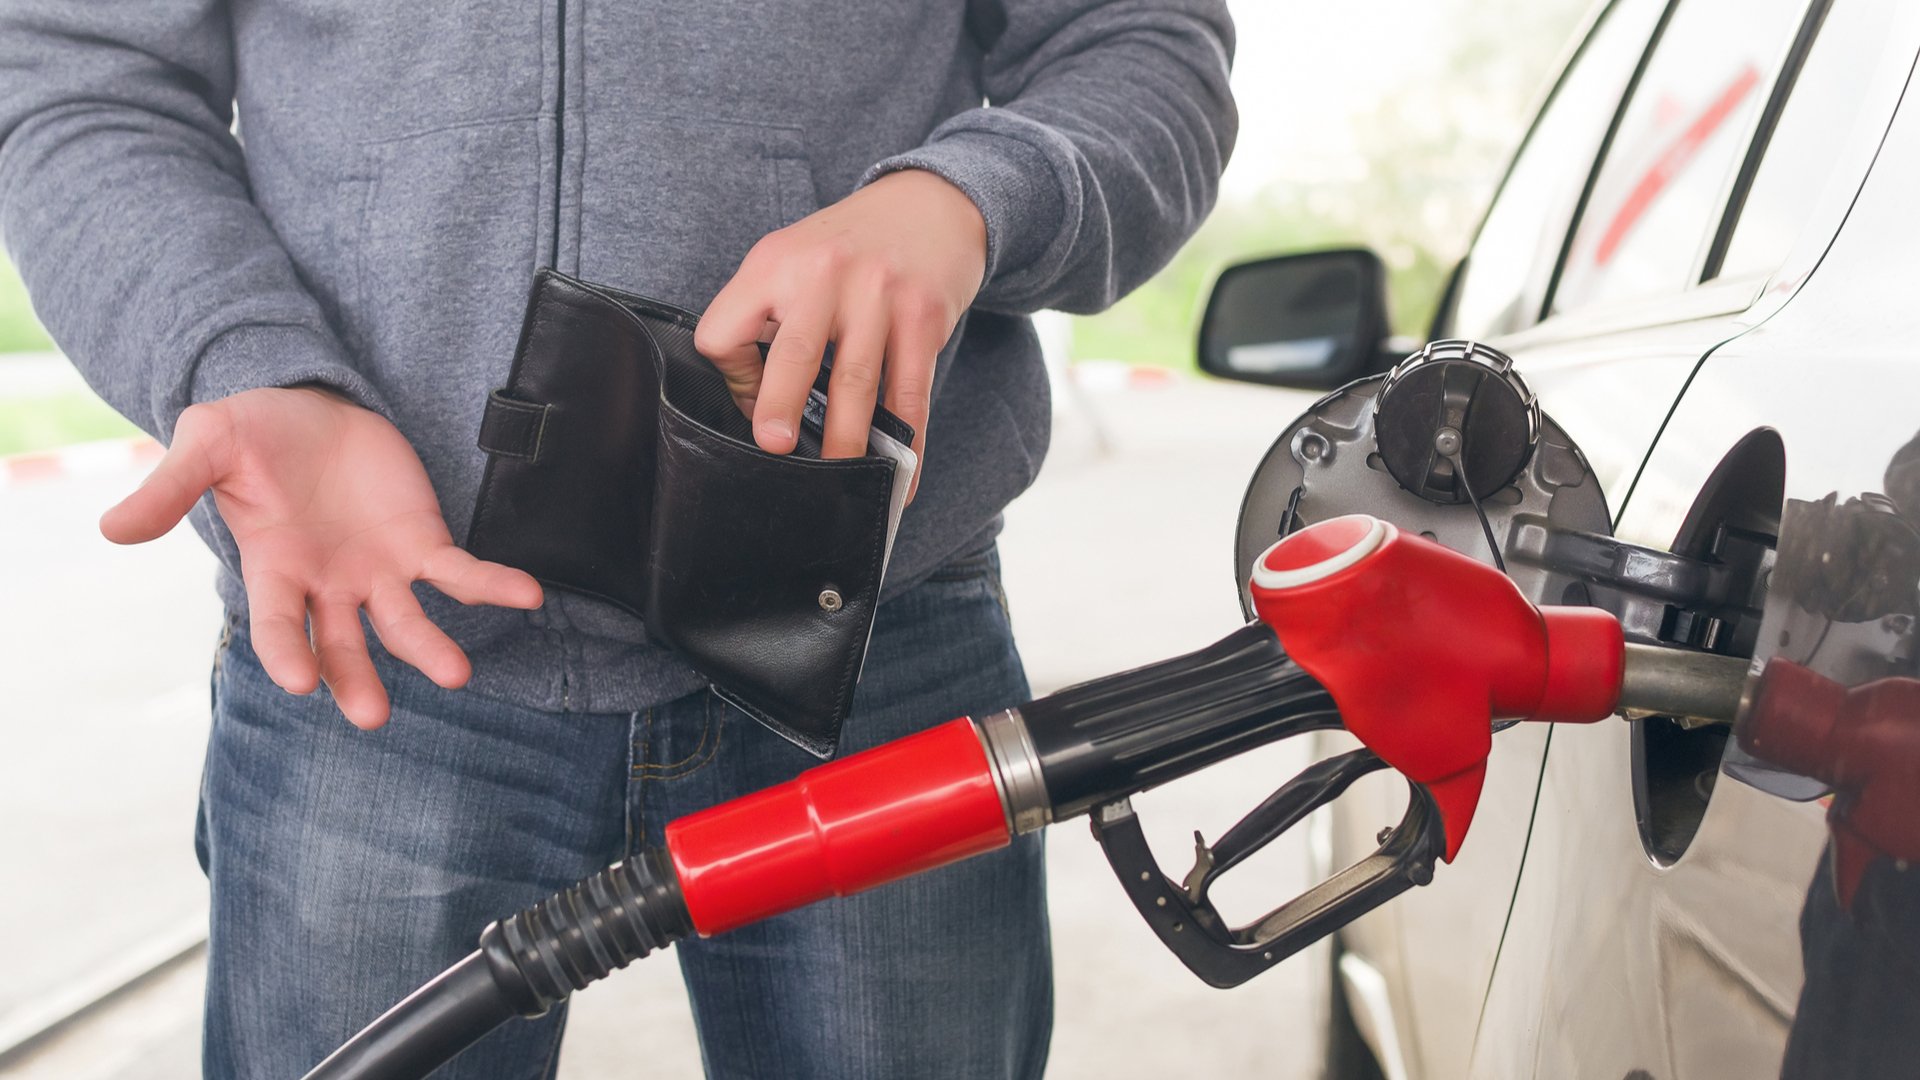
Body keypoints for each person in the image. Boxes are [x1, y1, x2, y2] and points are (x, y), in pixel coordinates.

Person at [0, 1, 1235, 1075]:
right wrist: (245, 358)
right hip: (375, 627)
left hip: (869, 627)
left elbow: (1138, 43)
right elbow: (77, 81)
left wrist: (966, 198)